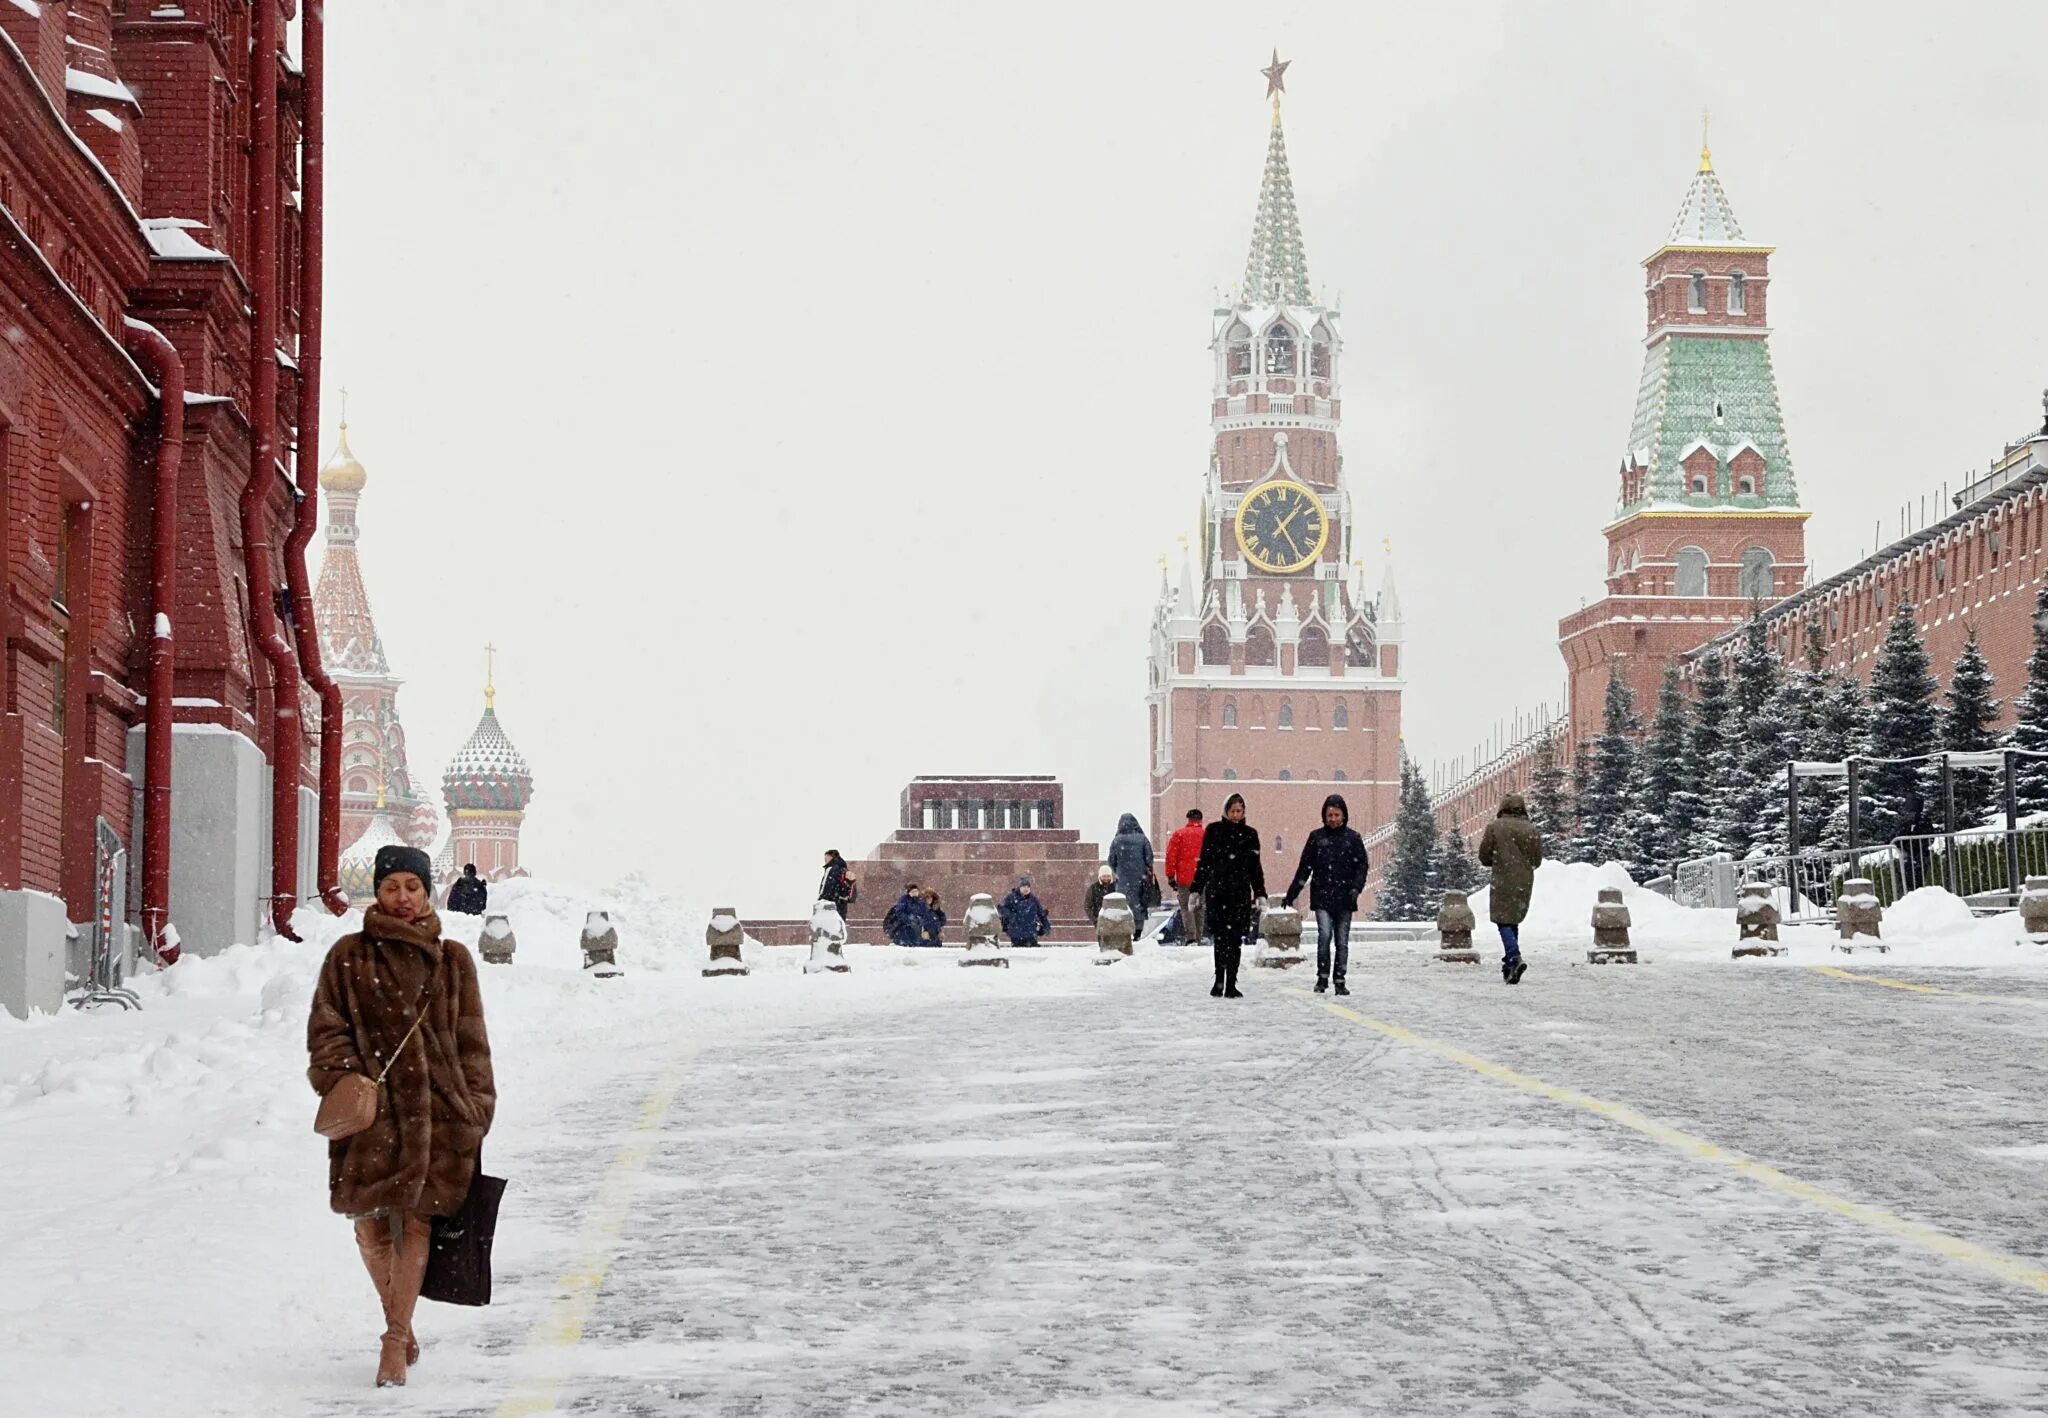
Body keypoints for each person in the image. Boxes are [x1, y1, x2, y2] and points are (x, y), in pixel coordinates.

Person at [307, 844, 495, 1389]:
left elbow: (472, 1041)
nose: (403, 898)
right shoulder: (348, 957)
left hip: (437, 1112)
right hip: (372, 1115)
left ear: (427, 891)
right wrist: (344, 1078)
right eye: (392, 887)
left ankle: (394, 1337)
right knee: (370, 1229)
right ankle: (402, 1323)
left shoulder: (452, 959)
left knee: (416, 1221)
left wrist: (477, 1106)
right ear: (378, 891)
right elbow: (326, 1030)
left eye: (413, 887)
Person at [1282, 794, 1369, 996]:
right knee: (1325, 935)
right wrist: (1291, 894)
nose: (1333, 819)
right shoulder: (1317, 838)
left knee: (1341, 941)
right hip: (1322, 896)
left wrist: (1356, 888)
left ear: (1344, 816)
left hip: (1346, 897)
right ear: (1324, 815)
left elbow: (1362, 866)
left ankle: (1339, 979)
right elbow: (1305, 868)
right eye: (1329, 815)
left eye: (1337, 815)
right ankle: (1322, 978)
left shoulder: (1353, 839)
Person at [1190, 792, 1264, 999]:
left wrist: (1260, 893)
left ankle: (1231, 982)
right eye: (1232, 810)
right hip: (1218, 892)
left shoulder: (1250, 835)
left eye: (1239, 811)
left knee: (1235, 940)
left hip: (1239, 893)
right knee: (1220, 939)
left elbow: (1255, 868)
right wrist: (1196, 889)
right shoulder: (1214, 831)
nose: (1236, 815)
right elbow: (1204, 862)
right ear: (1226, 811)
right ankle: (1218, 980)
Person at [1478, 792, 1543, 984]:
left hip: (1503, 878)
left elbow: (1484, 856)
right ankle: (1509, 965)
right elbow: (1537, 860)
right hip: (1524, 880)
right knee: (1512, 919)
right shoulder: (1531, 829)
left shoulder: (1495, 827)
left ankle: (1514, 957)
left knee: (1503, 921)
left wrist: (1499, 860)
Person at [1164, 807, 1207, 951]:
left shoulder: (1179, 835)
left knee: (1186, 908)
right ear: (1200, 820)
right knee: (1200, 908)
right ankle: (1199, 937)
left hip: (1184, 879)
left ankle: (1191, 938)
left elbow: (1171, 857)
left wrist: (1170, 876)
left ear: (1188, 819)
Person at [1107, 812, 1154, 936]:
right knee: (1140, 902)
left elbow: (1111, 860)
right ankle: (1138, 932)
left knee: (1124, 904)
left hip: (1123, 879)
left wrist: (1118, 870)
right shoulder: (1142, 839)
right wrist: (1145, 868)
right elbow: (1149, 858)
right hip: (1140, 878)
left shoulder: (1117, 840)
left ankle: (1125, 931)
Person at [998, 876, 1051, 947]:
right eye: (1023, 886)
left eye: (1028, 887)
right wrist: (1011, 916)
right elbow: (1001, 907)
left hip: (1031, 932)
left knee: (1033, 952)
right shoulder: (1012, 897)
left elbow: (1041, 914)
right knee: (1018, 953)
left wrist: (1046, 926)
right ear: (1019, 887)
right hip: (1016, 932)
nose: (1026, 889)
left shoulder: (1033, 899)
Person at [818, 850, 857, 919]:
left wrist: (822, 900)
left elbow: (828, 888)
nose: (825, 859)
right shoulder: (843, 869)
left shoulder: (833, 869)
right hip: (841, 905)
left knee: (830, 927)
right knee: (837, 926)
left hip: (832, 906)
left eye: (826, 857)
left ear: (832, 857)